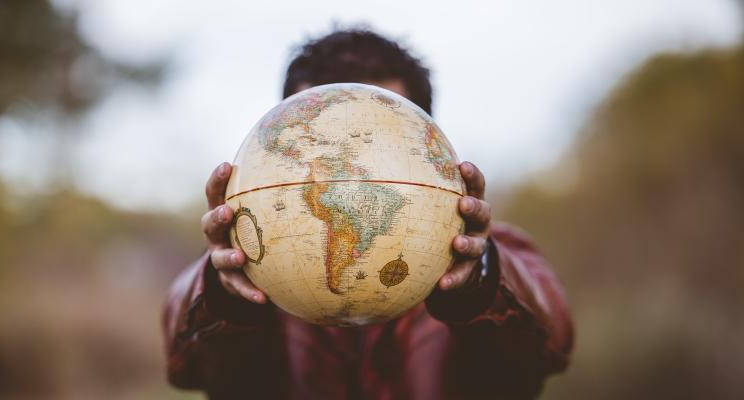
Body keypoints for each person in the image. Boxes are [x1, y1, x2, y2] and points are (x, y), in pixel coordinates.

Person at [163, 29, 574, 399]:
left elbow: (549, 348)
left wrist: (481, 280)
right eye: (321, 141)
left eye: (378, 140)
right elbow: (187, 367)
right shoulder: (245, 260)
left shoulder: (487, 255)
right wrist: (222, 295)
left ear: (429, 145)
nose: (352, 177)